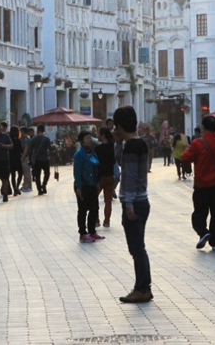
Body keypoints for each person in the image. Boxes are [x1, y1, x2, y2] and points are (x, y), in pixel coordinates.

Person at [114, 105, 152, 304]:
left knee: (137, 248)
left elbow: (129, 176)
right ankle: (143, 287)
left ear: (120, 126)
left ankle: (142, 288)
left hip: (134, 202)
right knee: (138, 247)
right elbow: (122, 163)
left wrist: (128, 204)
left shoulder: (132, 147)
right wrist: (117, 143)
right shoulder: (140, 144)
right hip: (142, 200)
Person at [182, 115, 215, 252]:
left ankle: (203, 231)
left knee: (199, 212)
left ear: (203, 127)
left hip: (201, 185)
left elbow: (185, 158)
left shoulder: (198, 143)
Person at [74, 131, 105, 243]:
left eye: (90, 138)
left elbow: (96, 167)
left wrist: (97, 182)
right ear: (81, 141)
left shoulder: (92, 152)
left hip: (92, 184)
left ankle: (92, 231)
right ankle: (83, 233)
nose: (89, 140)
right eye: (87, 138)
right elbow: (77, 172)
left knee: (94, 208)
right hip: (83, 185)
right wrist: (79, 187)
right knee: (83, 209)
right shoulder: (79, 154)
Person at [96, 127, 117, 228]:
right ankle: (107, 221)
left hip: (100, 177)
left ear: (103, 135)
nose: (97, 135)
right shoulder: (113, 147)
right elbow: (114, 161)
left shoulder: (98, 149)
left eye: (98, 133)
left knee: (94, 199)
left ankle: (96, 220)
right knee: (108, 200)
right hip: (110, 175)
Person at [30, 125, 52, 195]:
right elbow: (50, 149)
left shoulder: (33, 139)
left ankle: (39, 190)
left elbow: (31, 151)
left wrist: (30, 159)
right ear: (44, 130)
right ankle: (44, 184)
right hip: (45, 159)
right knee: (47, 173)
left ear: (37, 130)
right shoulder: (46, 139)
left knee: (37, 175)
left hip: (37, 160)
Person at [9, 126, 25, 197]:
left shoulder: (9, 140)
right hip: (18, 159)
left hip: (11, 159)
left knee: (13, 175)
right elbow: (21, 150)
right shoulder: (18, 140)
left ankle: (14, 188)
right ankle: (17, 186)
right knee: (20, 173)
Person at [21, 127, 35, 193]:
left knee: (27, 172)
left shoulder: (26, 139)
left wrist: (22, 157)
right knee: (26, 172)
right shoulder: (28, 138)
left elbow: (26, 148)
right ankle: (25, 185)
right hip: (28, 157)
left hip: (26, 157)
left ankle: (28, 186)